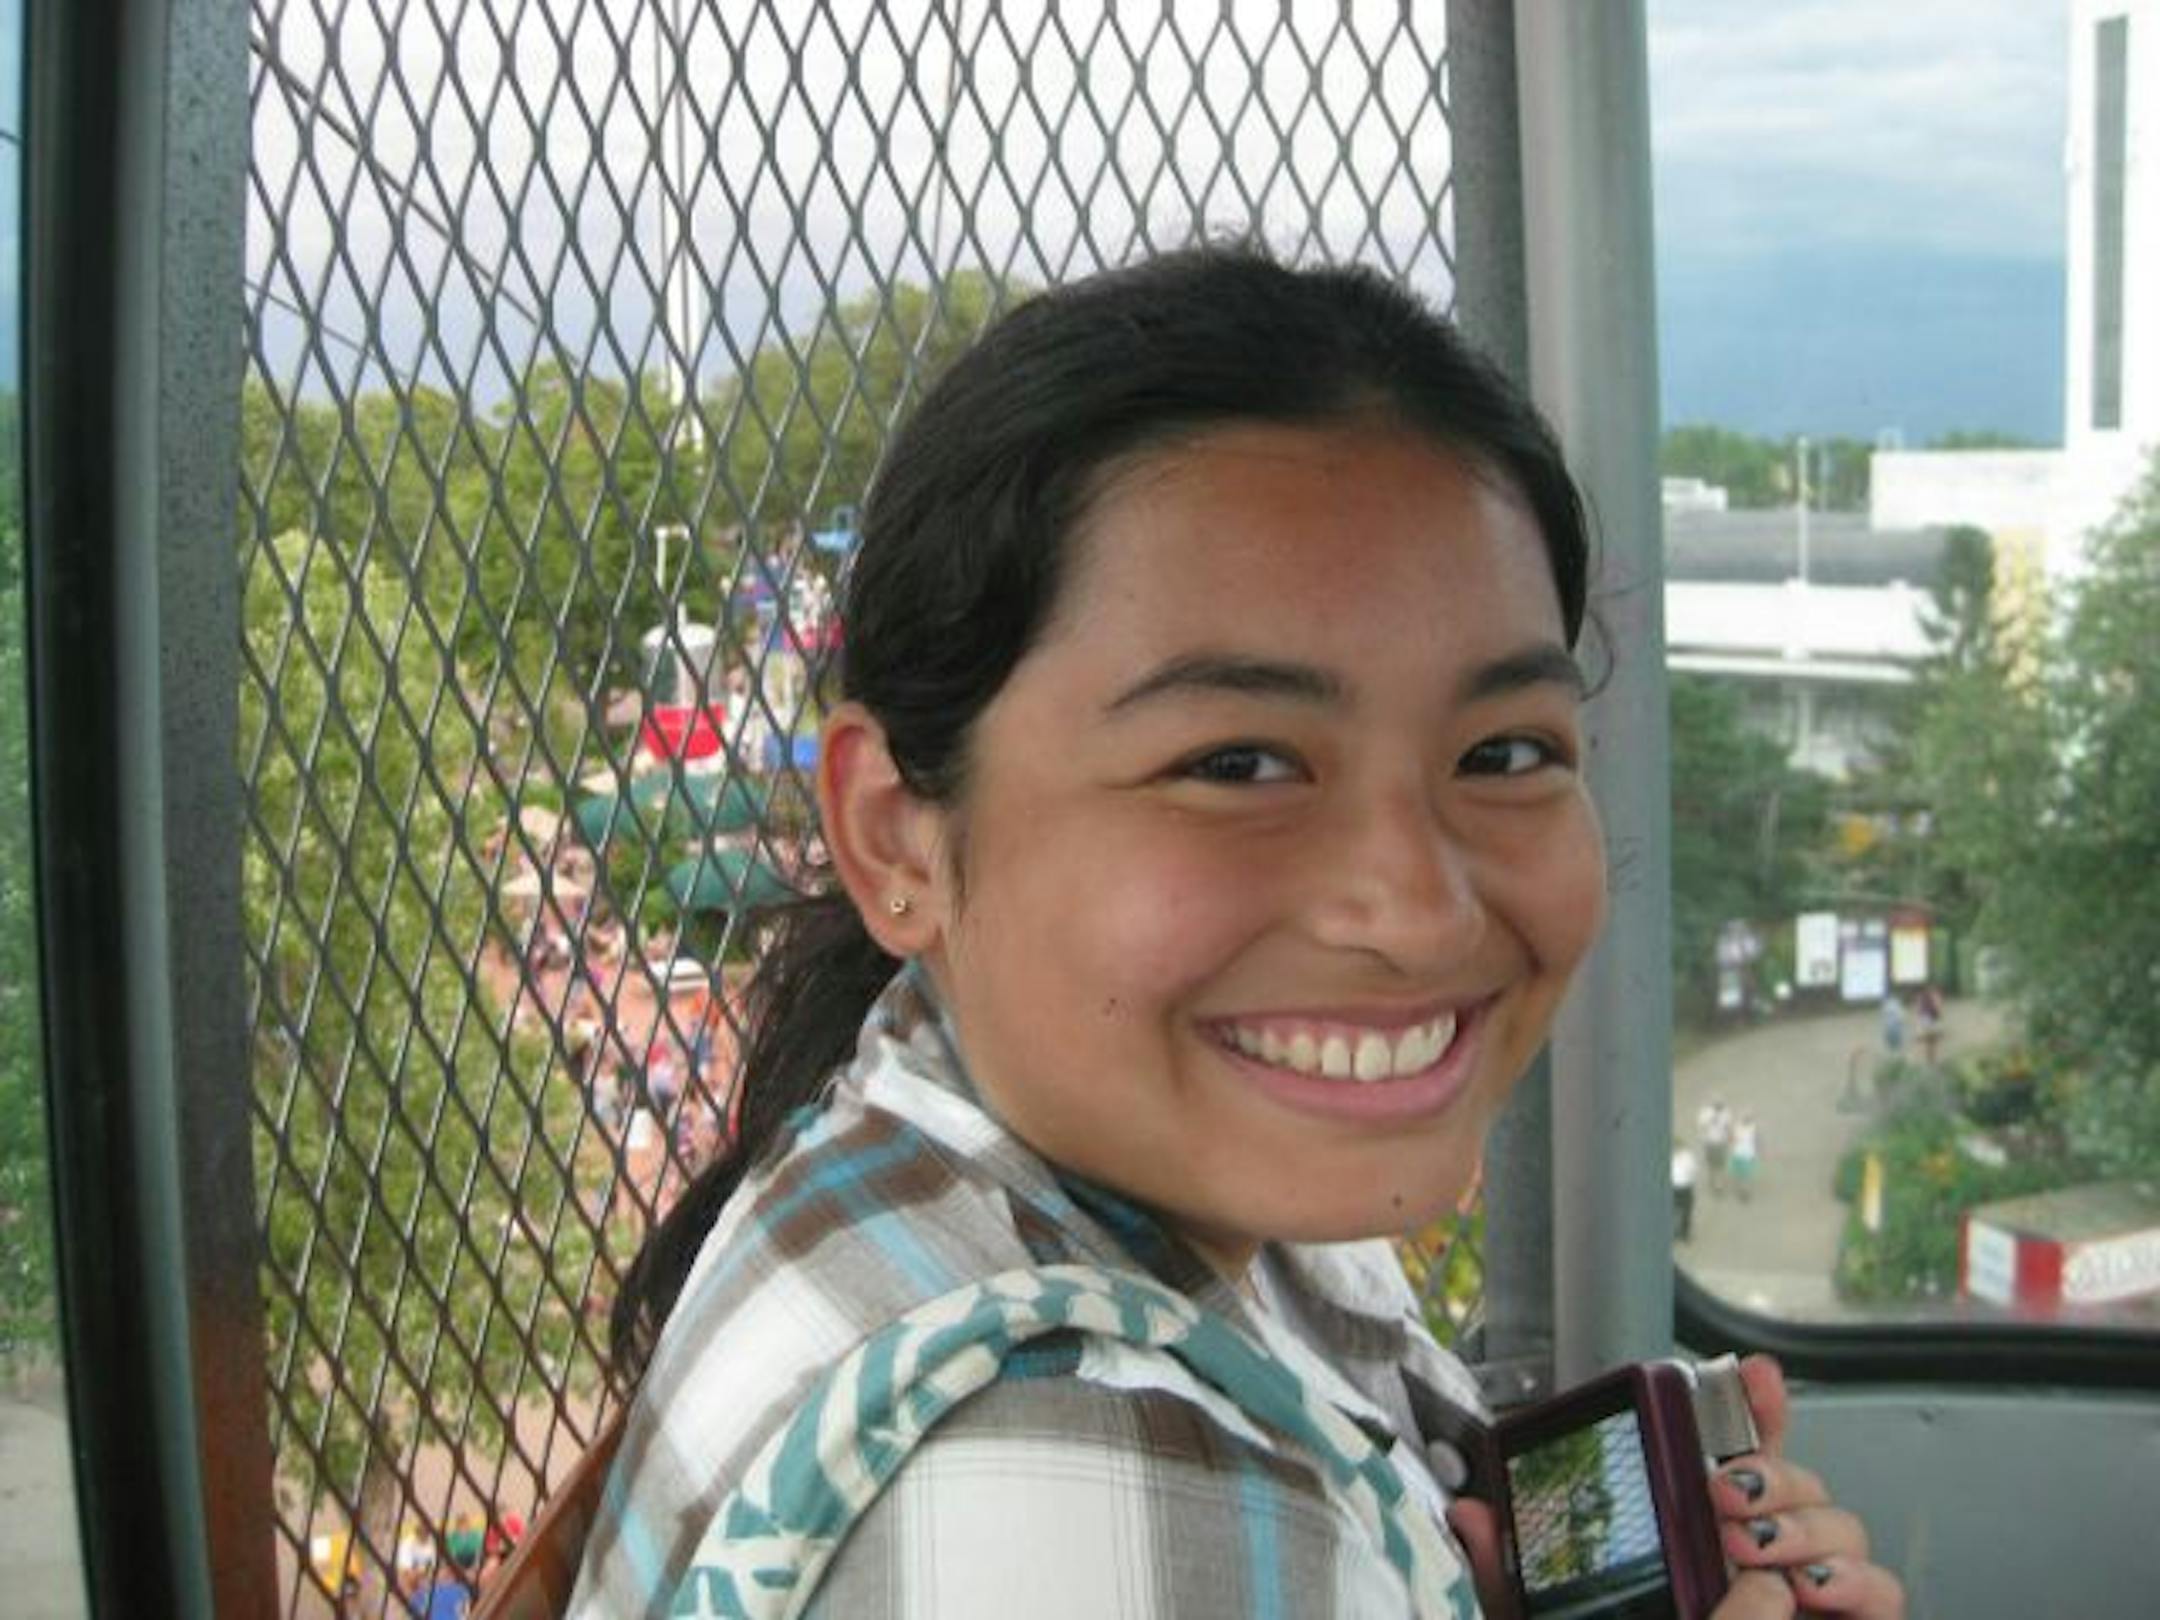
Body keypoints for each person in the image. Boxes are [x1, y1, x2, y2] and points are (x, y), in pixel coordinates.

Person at [570, 246, 1901, 1617]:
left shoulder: (1024, 1188)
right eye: (1238, 765)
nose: (1418, 910)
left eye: (1503, 753)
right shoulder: (1080, 1502)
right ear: (896, 834)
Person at [1698, 1095, 1734, 1196]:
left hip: (1721, 1142)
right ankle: (1712, 1178)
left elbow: (1729, 1127)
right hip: (1709, 1142)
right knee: (1710, 1163)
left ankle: (1719, 1184)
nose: (1719, 1107)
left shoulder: (1726, 1113)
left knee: (1721, 1163)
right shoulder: (1705, 1113)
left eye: (1721, 1105)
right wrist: (1711, 1120)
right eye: (1717, 1105)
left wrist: (1730, 1137)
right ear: (1712, 1104)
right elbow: (1701, 1126)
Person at [1672, 1136, 1700, 1242]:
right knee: (1673, 1212)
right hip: (1674, 1188)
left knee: (1686, 1212)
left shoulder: (1688, 1157)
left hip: (1685, 1188)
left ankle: (1685, 1234)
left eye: (1677, 1147)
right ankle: (1675, 1232)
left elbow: (1694, 1170)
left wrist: (1690, 1176)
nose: (1676, 1149)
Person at [1732, 1112, 1762, 1204]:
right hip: (1743, 1153)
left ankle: (1743, 1190)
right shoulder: (1750, 1128)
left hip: (1743, 1153)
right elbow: (1756, 1140)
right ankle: (1743, 1190)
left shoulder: (1739, 1127)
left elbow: (1756, 1140)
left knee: (1743, 1174)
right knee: (1743, 1174)